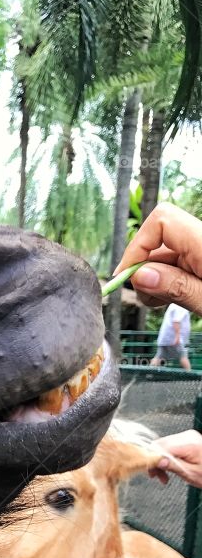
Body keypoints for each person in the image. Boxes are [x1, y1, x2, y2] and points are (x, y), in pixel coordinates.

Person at [115, 202, 202, 486]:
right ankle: (187, 377)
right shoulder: (180, 307)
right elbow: (177, 324)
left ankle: (148, 371)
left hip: (168, 340)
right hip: (173, 339)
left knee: (158, 358)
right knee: (183, 359)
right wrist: (178, 339)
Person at [152, 300, 193, 369]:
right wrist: (177, 338)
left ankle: (149, 372)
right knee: (183, 356)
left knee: (159, 356)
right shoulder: (180, 306)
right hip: (173, 338)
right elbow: (176, 321)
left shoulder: (175, 305)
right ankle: (192, 376)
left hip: (167, 338)